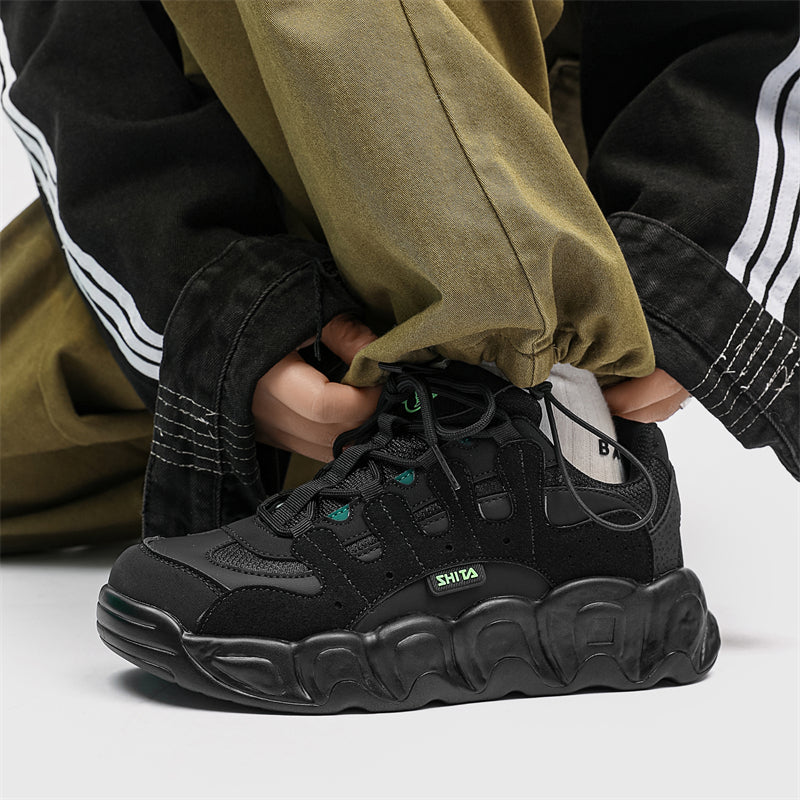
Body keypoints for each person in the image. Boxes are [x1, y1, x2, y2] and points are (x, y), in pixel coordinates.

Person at [0, 1, 796, 711]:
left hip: (516, 183)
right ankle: (439, 443)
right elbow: (69, 40)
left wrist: (697, 255)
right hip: (229, 199)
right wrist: (212, 310)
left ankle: (527, 442)